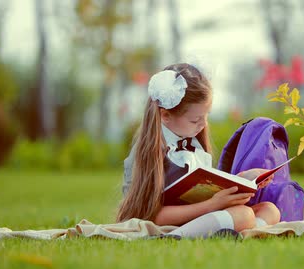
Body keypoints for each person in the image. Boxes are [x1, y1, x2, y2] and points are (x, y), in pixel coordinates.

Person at [117, 63, 280, 238]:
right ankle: (174, 238)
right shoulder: (149, 152)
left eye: (206, 115)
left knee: (270, 210)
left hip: (201, 216)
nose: (203, 125)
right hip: (172, 221)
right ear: (165, 116)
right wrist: (212, 205)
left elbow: (205, 187)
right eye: (195, 120)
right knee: (244, 215)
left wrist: (245, 179)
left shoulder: (193, 145)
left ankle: (242, 230)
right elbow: (152, 215)